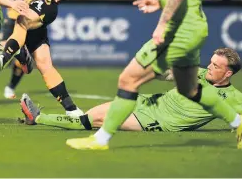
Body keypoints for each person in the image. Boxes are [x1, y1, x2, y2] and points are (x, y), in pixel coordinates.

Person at [64, 0, 242, 150]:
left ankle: (100, 139)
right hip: (196, 26)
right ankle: (238, 123)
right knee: (190, 87)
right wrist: (160, 2)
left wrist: (162, 24)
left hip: (178, 30)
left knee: (128, 80)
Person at [20, 48, 242, 133]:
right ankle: (38, 118)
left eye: (216, 66)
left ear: (228, 73)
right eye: (211, 62)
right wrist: (153, 68)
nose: (210, 67)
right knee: (93, 115)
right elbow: (169, 75)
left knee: (96, 120)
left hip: (159, 122)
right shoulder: (201, 74)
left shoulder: (233, 97)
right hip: (148, 102)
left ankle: (39, 118)